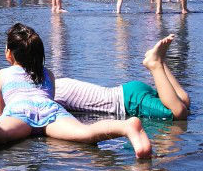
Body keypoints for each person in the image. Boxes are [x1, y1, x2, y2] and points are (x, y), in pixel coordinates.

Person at [0, 23, 152, 159]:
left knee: (1, 134)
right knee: (86, 133)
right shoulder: (48, 74)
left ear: (9, 54)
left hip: (20, 112)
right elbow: (50, 98)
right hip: (50, 112)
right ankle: (126, 127)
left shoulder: (2, 74)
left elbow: (1, 110)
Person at [52, 35, 191, 121]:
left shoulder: (48, 96)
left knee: (178, 112)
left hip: (129, 102)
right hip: (129, 91)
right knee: (183, 101)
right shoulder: (55, 82)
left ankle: (155, 64)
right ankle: (159, 62)